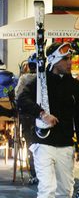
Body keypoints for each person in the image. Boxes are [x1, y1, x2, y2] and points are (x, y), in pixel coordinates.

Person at [17, 42, 79, 197]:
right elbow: (21, 99)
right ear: (54, 60)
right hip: (43, 143)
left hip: (66, 144)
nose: (70, 62)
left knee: (65, 191)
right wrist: (42, 114)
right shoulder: (40, 82)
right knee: (47, 189)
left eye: (70, 58)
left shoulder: (75, 85)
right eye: (65, 59)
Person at [15, 53, 38, 184]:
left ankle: (34, 174)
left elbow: (18, 95)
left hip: (27, 116)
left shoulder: (24, 78)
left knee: (31, 145)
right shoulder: (45, 78)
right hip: (42, 116)